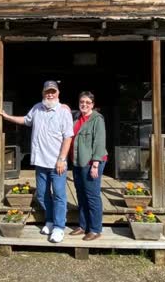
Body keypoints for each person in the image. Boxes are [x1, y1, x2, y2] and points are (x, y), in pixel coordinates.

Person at [0, 80, 74, 243]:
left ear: (58, 93)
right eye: (47, 91)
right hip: (40, 161)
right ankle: (50, 220)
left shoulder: (64, 111)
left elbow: (68, 137)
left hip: (57, 163)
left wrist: (62, 159)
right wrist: (7, 117)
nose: (50, 94)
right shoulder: (37, 108)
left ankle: (59, 227)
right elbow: (26, 120)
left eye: (53, 92)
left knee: (59, 195)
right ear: (43, 93)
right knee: (42, 194)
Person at [68, 91, 108, 241]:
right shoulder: (77, 117)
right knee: (81, 194)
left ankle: (95, 229)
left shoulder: (97, 119)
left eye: (87, 102)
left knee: (92, 196)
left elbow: (99, 141)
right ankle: (83, 226)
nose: (84, 104)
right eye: (81, 102)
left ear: (93, 104)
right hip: (78, 161)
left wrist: (96, 164)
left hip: (92, 162)